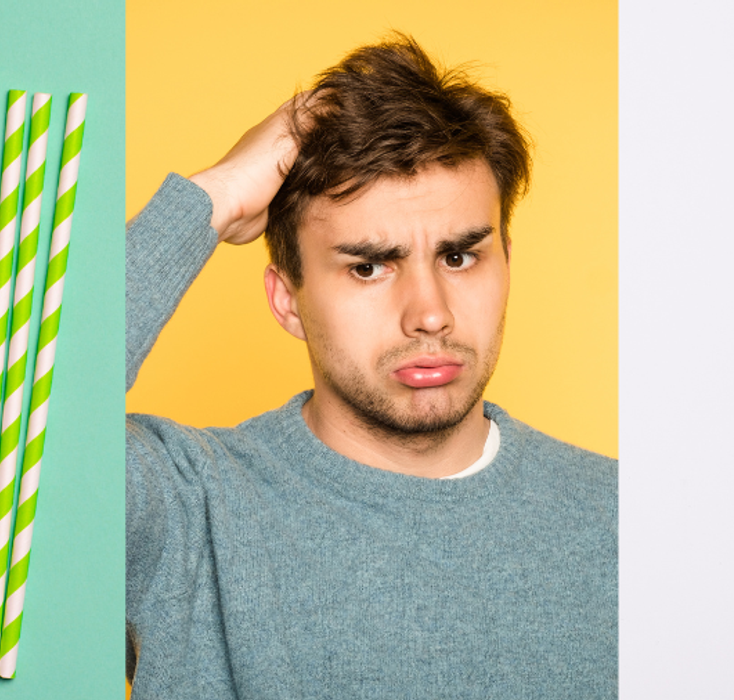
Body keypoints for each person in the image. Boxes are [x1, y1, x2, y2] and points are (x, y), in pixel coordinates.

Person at [126, 35, 617, 699]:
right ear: (287, 299)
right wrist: (209, 199)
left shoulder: (628, 521)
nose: (430, 315)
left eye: (459, 258)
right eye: (368, 267)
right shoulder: (183, 509)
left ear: (506, 260)